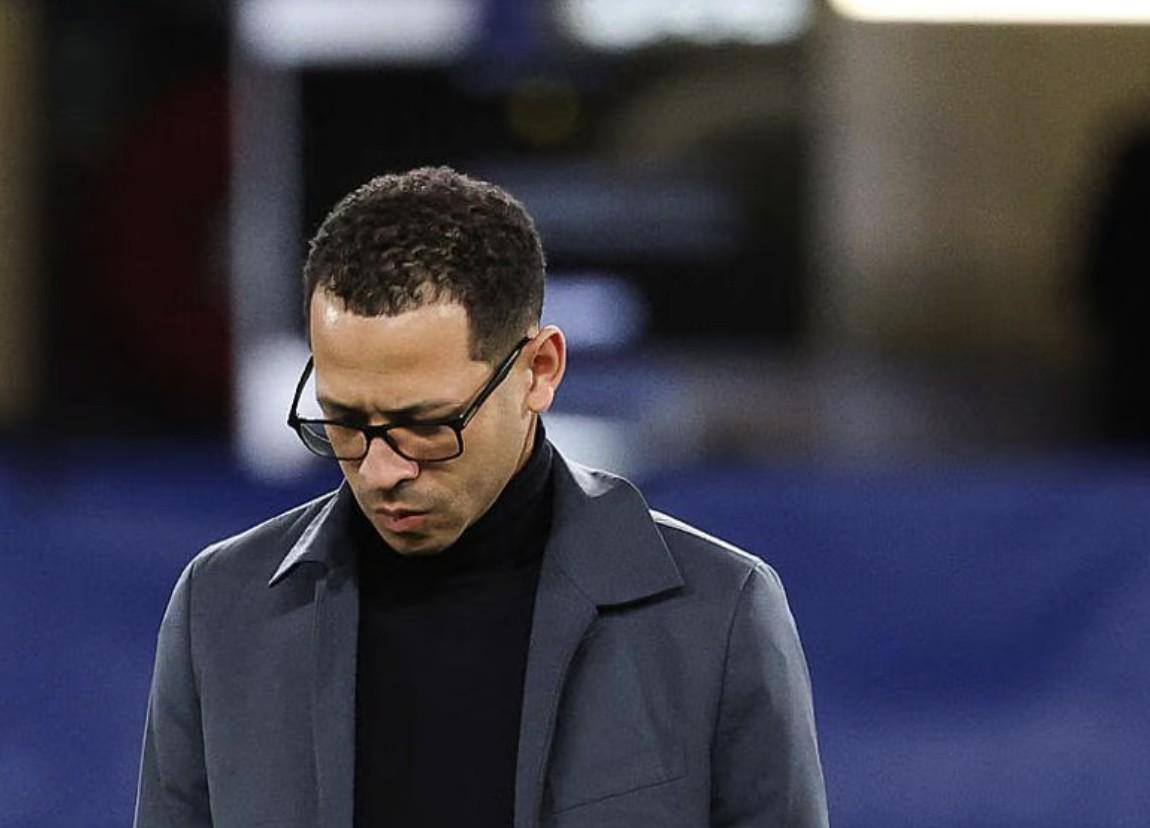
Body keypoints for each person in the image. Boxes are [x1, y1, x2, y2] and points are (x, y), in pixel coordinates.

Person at [134, 167, 828, 827]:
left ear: (540, 370)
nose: (379, 470)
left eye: (426, 425)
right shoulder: (219, 610)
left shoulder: (716, 615)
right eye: (343, 421)